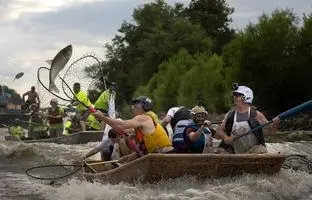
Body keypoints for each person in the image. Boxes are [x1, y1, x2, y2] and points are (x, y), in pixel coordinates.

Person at [93, 96, 174, 163]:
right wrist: (126, 160)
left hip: (166, 154)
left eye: (136, 105)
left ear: (145, 106)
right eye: (133, 105)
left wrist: (102, 117)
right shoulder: (140, 125)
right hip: (158, 156)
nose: (133, 107)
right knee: (127, 159)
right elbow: (117, 127)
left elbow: (121, 125)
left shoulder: (144, 117)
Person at [215, 83, 280, 154]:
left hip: (253, 151)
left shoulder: (256, 114)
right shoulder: (230, 115)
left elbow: (271, 131)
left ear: (246, 97)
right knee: (220, 152)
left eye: (237, 95)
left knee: (261, 150)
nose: (234, 97)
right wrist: (225, 137)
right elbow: (219, 130)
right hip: (234, 152)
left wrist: (275, 124)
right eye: (234, 95)